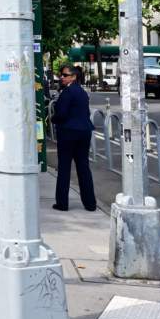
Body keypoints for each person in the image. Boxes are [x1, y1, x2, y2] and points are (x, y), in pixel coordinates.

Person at [51, 64, 97, 212]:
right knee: (83, 167)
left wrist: (53, 119)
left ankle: (62, 203)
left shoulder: (67, 92)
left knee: (64, 168)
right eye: (61, 75)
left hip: (68, 132)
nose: (61, 78)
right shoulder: (82, 92)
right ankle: (90, 203)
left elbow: (61, 113)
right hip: (84, 132)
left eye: (65, 75)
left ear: (73, 76)